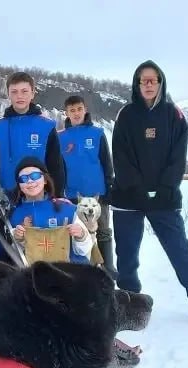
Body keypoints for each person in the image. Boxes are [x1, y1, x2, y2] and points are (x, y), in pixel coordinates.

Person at [110, 60, 188, 326]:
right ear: (137, 84)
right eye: (143, 80)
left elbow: (177, 157)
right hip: (128, 198)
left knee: (180, 252)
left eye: (153, 80)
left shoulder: (174, 115)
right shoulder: (126, 115)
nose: (148, 85)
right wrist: (137, 188)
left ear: (161, 83)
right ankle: (130, 307)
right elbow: (121, 156)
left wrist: (164, 189)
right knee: (127, 257)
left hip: (164, 198)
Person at [0, 71, 67, 198]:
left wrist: (58, 195)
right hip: (6, 198)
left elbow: (55, 164)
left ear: (32, 94)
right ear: (8, 94)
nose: (19, 96)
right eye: (14, 92)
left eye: (24, 91)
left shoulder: (46, 126)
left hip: (39, 197)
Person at [58, 95, 116, 276]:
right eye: (72, 110)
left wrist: (108, 189)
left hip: (97, 194)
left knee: (103, 231)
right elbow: (58, 168)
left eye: (79, 109)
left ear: (85, 110)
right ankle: (80, 272)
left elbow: (106, 162)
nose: (76, 113)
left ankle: (108, 270)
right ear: (66, 113)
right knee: (75, 233)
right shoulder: (61, 137)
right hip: (72, 195)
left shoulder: (97, 133)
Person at [8, 157, 93, 264]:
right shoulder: (16, 215)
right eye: (23, 179)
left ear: (45, 180)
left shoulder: (66, 208)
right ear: (19, 186)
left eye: (35, 176)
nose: (30, 181)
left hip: (69, 273)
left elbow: (85, 249)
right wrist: (18, 240)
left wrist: (81, 236)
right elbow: (17, 256)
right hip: (36, 276)